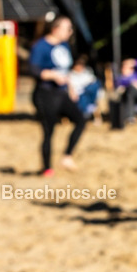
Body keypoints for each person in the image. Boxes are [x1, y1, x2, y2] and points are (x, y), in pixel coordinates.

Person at [28, 16, 87, 176]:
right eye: (67, 28)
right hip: (45, 93)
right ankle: (47, 168)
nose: (70, 32)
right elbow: (33, 70)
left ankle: (67, 156)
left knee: (80, 120)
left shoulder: (64, 45)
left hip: (62, 93)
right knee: (49, 131)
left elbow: (66, 71)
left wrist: (71, 88)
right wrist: (52, 75)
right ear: (55, 29)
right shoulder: (40, 46)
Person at [68, 55, 102, 120]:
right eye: (78, 65)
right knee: (83, 96)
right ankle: (87, 109)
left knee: (96, 84)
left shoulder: (87, 72)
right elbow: (71, 87)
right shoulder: (70, 74)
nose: (80, 67)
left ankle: (89, 106)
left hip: (88, 92)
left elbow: (93, 81)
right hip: (78, 94)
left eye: (81, 65)